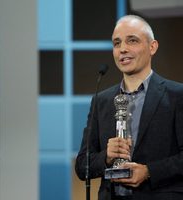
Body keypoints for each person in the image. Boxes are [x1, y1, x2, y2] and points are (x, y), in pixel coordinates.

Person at [75, 14, 183, 200]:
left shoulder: (177, 95)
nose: (123, 49)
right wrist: (106, 156)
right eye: (117, 43)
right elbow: (83, 165)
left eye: (132, 40)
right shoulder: (101, 100)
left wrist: (149, 171)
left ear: (152, 47)